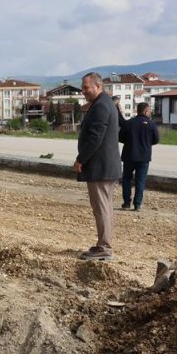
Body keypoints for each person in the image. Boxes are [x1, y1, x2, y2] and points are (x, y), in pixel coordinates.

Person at [73, 72, 122, 261]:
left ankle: (104, 247)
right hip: (106, 167)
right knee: (105, 208)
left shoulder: (101, 106)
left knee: (101, 208)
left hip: (101, 167)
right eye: (83, 87)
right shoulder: (105, 103)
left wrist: (80, 160)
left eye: (86, 87)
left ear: (98, 86)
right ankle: (104, 244)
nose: (83, 91)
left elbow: (95, 138)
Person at [119, 102, 160, 211]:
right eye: (149, 111)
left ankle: (127, 203)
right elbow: (156, 140)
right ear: (146, 111)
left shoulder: (128, 123)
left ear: (137, 111)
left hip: (129, 155)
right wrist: (146, 142)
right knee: (140, 181)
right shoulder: (151, 124)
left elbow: (120, 138)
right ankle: (137, 204)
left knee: (126, 179)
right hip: (144, 157)